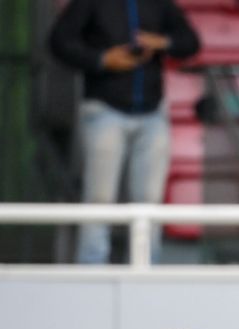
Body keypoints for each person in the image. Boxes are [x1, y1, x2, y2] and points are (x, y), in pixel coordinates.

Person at [49, 0, 200, 264]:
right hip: (105, 110)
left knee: (149, 200)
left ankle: (144, 268)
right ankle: (92, 269)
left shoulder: (160, 4)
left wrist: (161, 42)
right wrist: (102, 59)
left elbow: (191, 42)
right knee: (99, 198)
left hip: (152, 113)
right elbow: (59, 42)